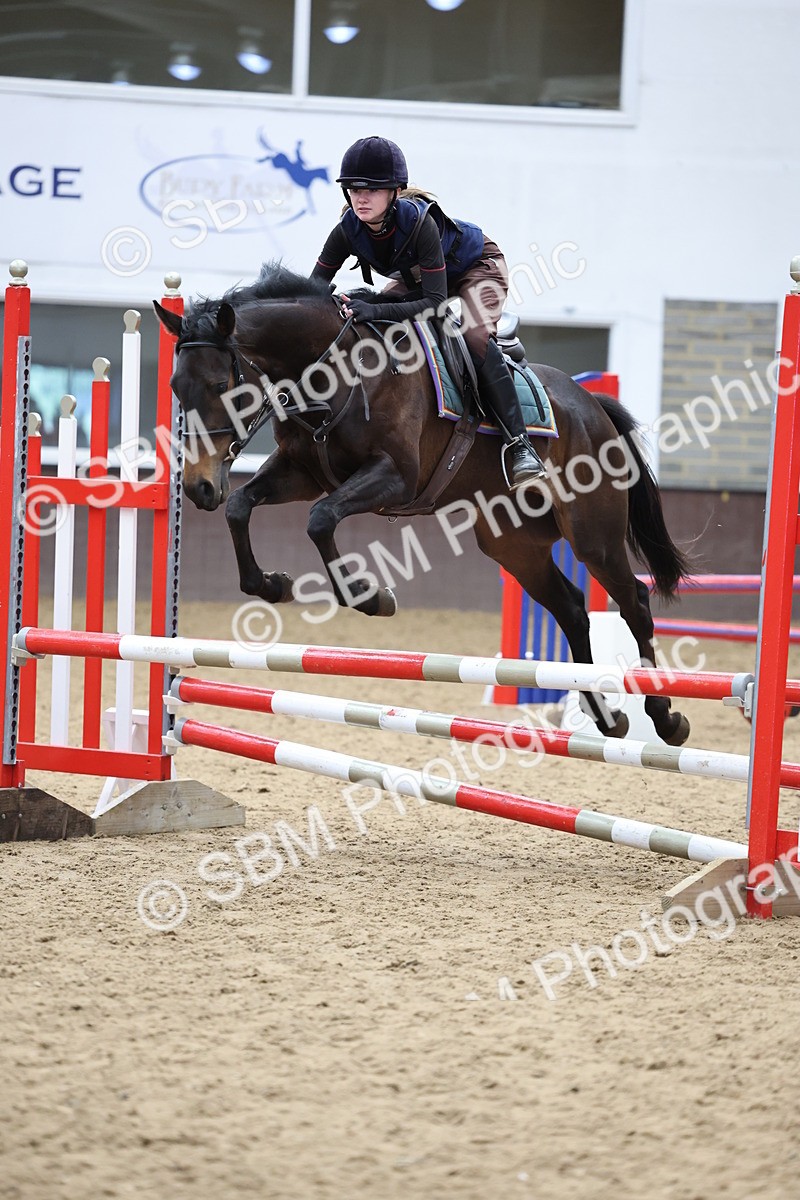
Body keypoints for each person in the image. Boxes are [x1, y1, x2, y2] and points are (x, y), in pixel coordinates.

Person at [311, 135, 546, 489]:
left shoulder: (421, 224)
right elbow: (311, 292)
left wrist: (372, 309)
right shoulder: (347, 229)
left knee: (473, 335)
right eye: (354, 189)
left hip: (477, 267)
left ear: (394, 192)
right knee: (369, 312)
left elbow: (434, 305)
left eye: (372, 190)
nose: (361, 197)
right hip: (421, 279)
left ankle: (520, 445)